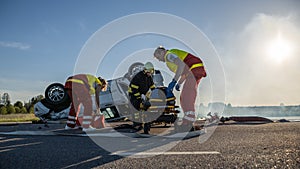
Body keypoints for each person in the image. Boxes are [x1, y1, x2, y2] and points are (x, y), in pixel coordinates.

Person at [154, 46, 207, 131]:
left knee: (187, 97)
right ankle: (188, 121)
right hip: (193, 70)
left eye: (158, 57)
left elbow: (181, 65)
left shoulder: (169, 55)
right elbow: (183, 72)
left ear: (161, 52)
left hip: (194, 69)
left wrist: (174, 81)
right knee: (184, 97)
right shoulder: (171, 56)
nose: (159, 60)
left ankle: (188, 123)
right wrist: (179, 83)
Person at [128, 62, 156, 134]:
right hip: (134, 95)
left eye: (152, 71)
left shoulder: (149, 77)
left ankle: (146, 122)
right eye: (150, 71)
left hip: (143, 94)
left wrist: (156, 92)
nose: (151, 73)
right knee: (136, 109)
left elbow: (152, 86)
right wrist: (139, 97)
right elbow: (134, 89)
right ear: (145, 70)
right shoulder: (138, 76)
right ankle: (137, 125)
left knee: (146, 107)